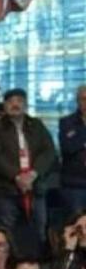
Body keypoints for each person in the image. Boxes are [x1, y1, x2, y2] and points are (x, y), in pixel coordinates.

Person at [0, 88, 58, 254]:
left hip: (35, 186)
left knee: (39, 226)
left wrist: (33, 174)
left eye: (19, 101)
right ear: (4, 105)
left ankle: (36, 264)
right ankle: (9, 265)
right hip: (6, 187)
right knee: (7, 229)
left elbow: (49, 151)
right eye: (10, 101)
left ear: (25, 105)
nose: (15, 105)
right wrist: (16, 176)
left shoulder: (36, 125)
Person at [59, 85, 86, 216]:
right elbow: (68, 148)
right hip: (75, 184)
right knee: (77, 226)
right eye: (83, 99)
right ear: (77, 101)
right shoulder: (66, 123)